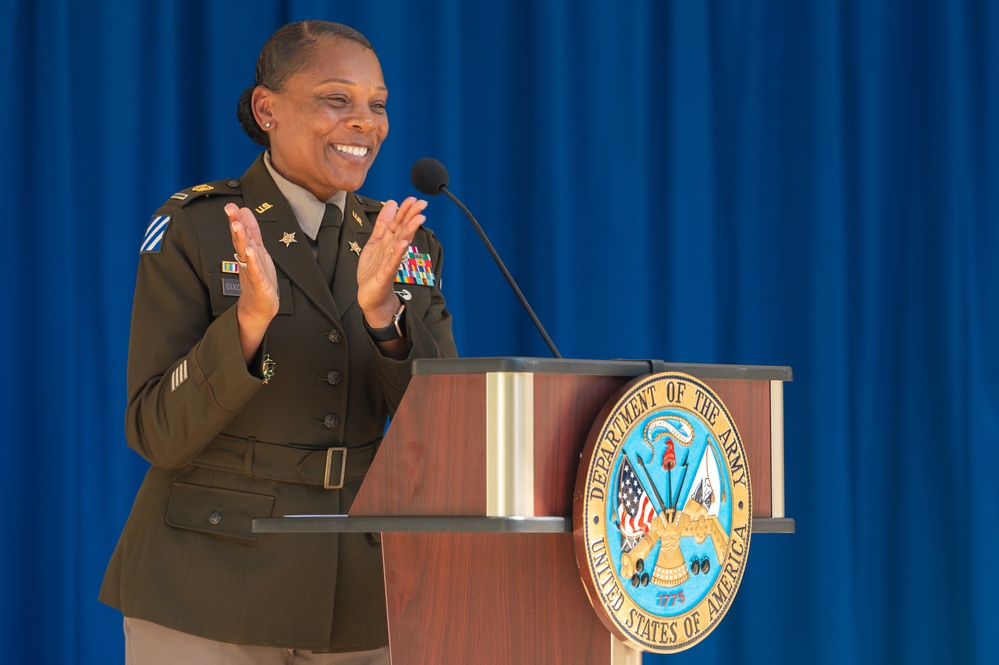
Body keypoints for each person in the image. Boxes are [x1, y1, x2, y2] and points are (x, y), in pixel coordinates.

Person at [100, 20, 457, 664]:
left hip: (359, 596)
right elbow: (155, 431)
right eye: (336, 99)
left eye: (377, 105)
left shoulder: (403, 244)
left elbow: (439, 432)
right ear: (268, 108)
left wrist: (384, 318)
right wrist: (245, 327)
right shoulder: (196, 229)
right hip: (206, 587)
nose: (365, 124)